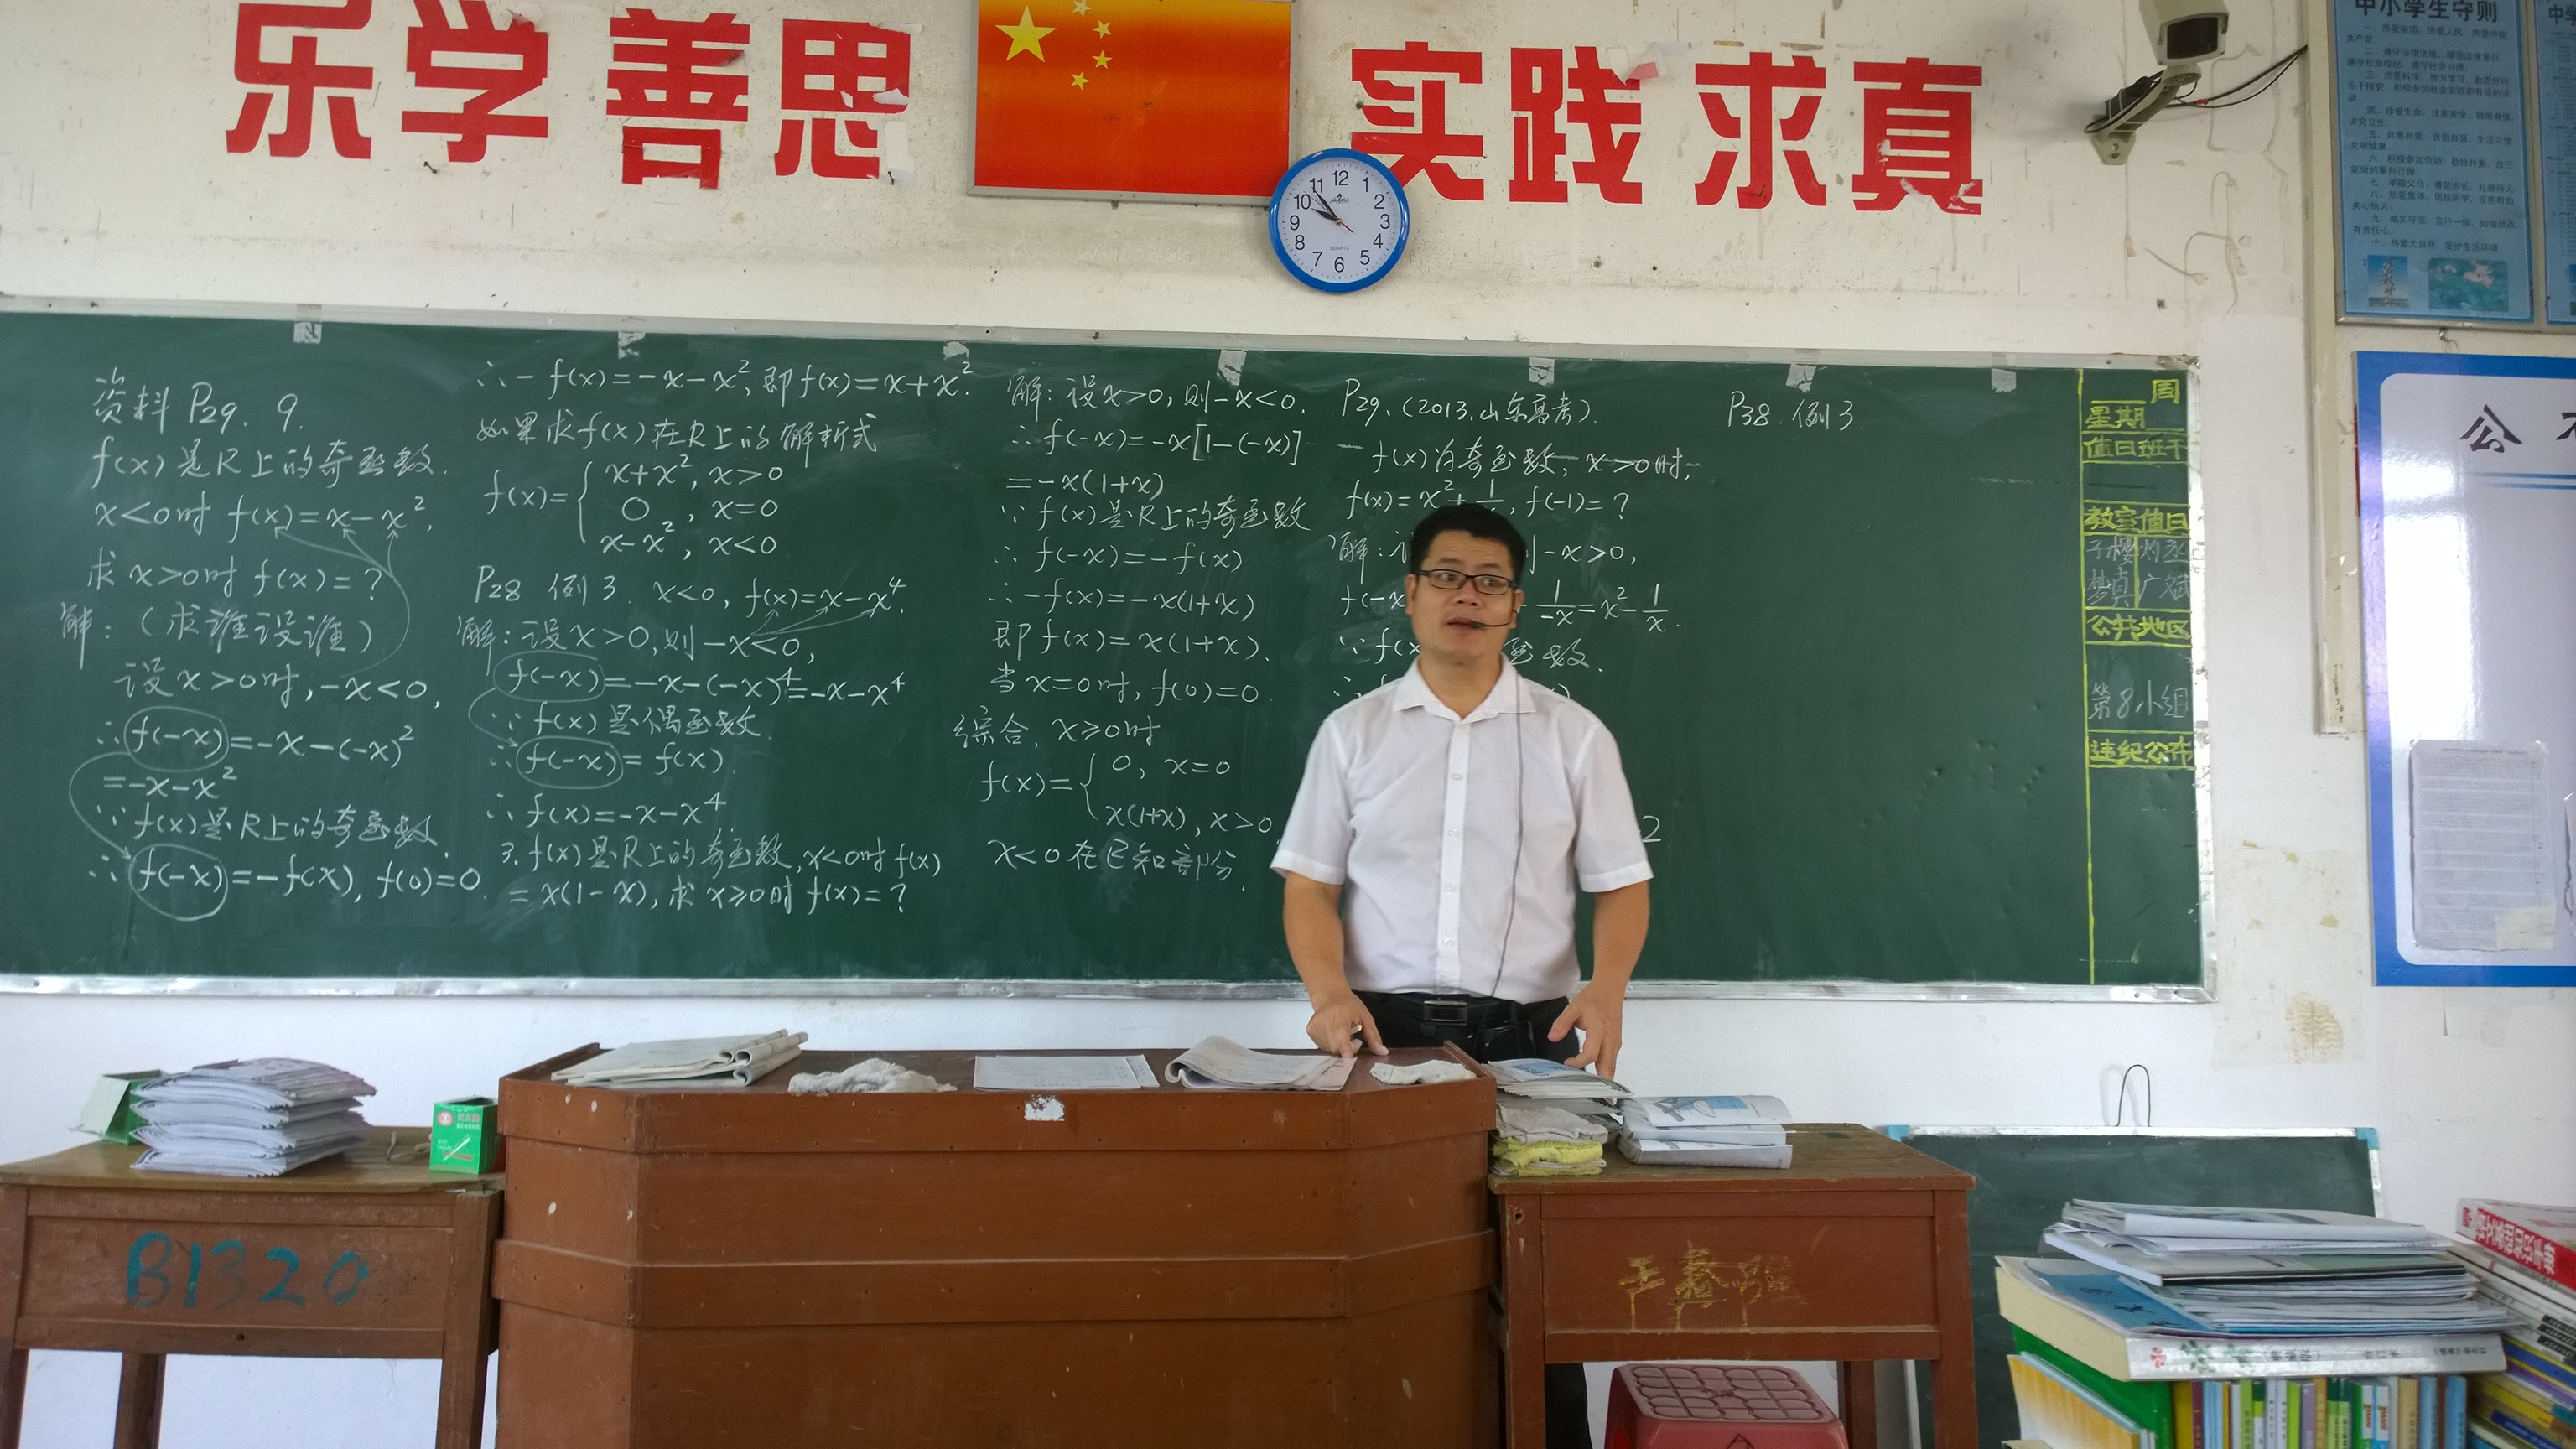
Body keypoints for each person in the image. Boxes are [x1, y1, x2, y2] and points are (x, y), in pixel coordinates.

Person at [1271, 501, 1653, 1448]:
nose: (1466, 597)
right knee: (1379, 1274)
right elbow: (1310, 885)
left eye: (1489, 582)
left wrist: (1607, 988)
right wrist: (1327, 995)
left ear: (1516, 605)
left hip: (1532, 1039)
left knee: (1540, 1284)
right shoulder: (1354, 733)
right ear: (1411, 593)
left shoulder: (1573, 735)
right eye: (1447, 576)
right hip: (1382, 1038)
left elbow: (1621, 884)